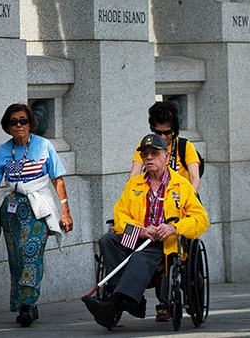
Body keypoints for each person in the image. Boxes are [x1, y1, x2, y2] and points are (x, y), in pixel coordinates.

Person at [84, 133, 209, 328]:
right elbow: (119, 215)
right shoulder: (135, 184)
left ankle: (115, 301)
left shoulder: (182, 185)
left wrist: (173, 227)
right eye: (145, 154)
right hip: (139, 235)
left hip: (164, 242)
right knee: (107, 240)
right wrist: (141, 231)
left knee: (140, 257)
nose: (149, 158)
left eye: (154, 153)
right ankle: (130, 298)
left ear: (166, 157)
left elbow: (201, 219)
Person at [0, 103, 73, 327]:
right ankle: (24, 303)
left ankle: (27, 305)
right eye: (13, 122)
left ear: (30, 124)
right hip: (12, 208)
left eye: (23, 121)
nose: (19, 125)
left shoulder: (44, 146)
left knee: (31, 251)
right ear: (7, 127)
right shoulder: (2, 151)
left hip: (38, 206)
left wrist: (65, 213)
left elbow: (57, 179)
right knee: (17, 257)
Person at [129, 101, 201, 193]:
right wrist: (130, 193)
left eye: (167, 132)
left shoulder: (185, 146)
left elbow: (195, 179)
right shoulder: (145, 146)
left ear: (174, 129)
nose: (163, 137)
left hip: (180, 199)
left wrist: (187, 200)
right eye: (159, 133)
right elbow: (134, 174)